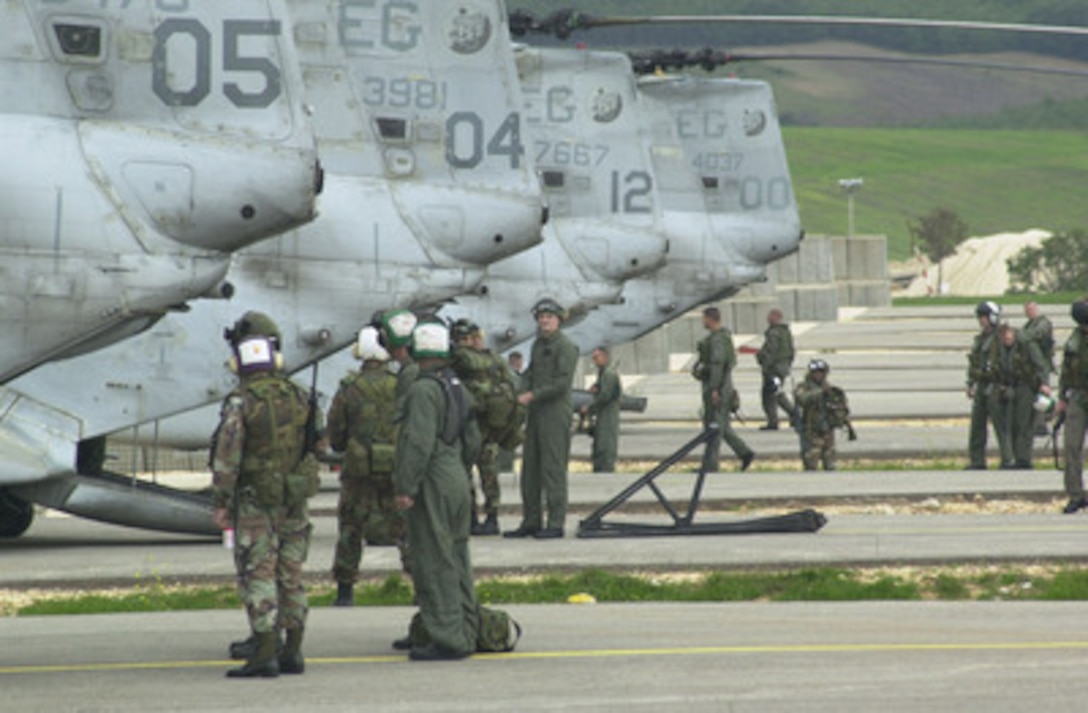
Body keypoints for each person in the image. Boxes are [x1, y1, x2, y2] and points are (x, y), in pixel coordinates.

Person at [210, 311, 321, 678]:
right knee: (291, 573)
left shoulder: (241, 402)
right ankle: (293, 650)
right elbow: (316, 444)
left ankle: (264, 654)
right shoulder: (301, 396)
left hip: (256, 499)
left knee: (259, 571)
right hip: (294, 498)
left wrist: (222, 503)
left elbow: (228, 458)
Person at [393, 320, 481, 660]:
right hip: (456, 473)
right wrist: (458, 466)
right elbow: (472, 437)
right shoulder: (457, 385)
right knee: (458, 556)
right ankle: (466, 629)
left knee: (433, 557)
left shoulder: (422, 390)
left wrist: (406, 485)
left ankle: (448, 638)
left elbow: (417, 442)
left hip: (433, 477)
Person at [327, 326, 402, 607]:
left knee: (351, 528)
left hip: (359, 471)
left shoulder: (350, 387)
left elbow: (336, 431)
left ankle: (345, 591)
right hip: (395, 466)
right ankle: (421, 585)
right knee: (404, 527)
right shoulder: (400, 384)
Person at [504, 298, 579, 539]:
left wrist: (532, 395)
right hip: (536, 412)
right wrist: (516, 390)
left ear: (558, 320)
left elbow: (561, 383)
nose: (544, 321)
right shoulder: (538, 344)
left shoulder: (565, 346)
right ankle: (531, 520)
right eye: (541, 317)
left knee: (553, 469)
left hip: (555, 412)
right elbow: (530, 373)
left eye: (549, 317)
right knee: (530, 469)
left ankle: (555, 523)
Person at [450, 319, 512, 536]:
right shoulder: (488, 359)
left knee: (487, 473)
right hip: (469, 425)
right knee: (469, 473)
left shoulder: (472, 358)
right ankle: (472, 517)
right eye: (460, 340)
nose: (464, 344)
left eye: (467, 339)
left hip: (482, 424)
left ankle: (491, 516)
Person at [693, 306, 755, 473]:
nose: (702, 321)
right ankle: (744, 453)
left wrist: (714, 389)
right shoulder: (719, 337)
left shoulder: (718, 340)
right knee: (723, 426)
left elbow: (717, 366)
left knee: (714, 427)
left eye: (704, 318)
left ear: (710, 319)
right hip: (722, 386)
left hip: (719, 387)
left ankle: (710, 466)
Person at [989, 324, 1050, 469]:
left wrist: (1044, 384)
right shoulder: (1003, 347)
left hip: (1027, 387)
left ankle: (1024, 459)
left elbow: (1041, 365)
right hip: (1012, 387)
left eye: (1008, 338)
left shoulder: (1027, 344)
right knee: (1013, 423)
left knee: (1025, 423)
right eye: (1003, 339)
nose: (1006, 341)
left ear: (1013, 334)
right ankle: (1017, 457)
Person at [1056, 299, 1088, 513]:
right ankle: (1076, 494)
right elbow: (1066, 370)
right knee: (1071, 446)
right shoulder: (1074, 340)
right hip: (1078, 396)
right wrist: (1062, 398)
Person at [794, 359, 850, 471]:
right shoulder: (803, 387)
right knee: (811, 462)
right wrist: (819, 393)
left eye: (821, 372)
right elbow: (802, 399)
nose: (819, 375)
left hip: (827, 430)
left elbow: (841, 406)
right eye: (816, 372)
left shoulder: (831, 389)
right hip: (811, 431)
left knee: (830, 464)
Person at [965, 301, 1002, 470]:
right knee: (977, 426)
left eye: (984, 317)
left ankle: (1009, 459)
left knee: (1002, 426)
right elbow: (974, 362)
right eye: (980, 317)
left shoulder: (1002, 338)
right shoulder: (980, 340)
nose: (981, 320)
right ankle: (977, 460)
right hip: (981, 385)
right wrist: (970, 382)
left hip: (996, 386)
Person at [580, 346, 622, 472]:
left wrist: (589, 407)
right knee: (599, 442)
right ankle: (599, 467)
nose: (594, 361)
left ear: (604, 357)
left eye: (596, 358)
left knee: (605, 443)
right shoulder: (603, 374)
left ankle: (606, 469)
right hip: (602, 414)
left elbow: (606, 396)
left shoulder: (609, 374)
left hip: (608, 415)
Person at [756, 308, 796, 430]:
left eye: (770, 316)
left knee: (770, 395)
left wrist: (765, 365)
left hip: (774, 370)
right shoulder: (785, 332)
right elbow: (791, 352)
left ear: (776, 317)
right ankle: (792, 416)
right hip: (782, 368)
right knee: (775, 393)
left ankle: (777, 420)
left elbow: (770, 352)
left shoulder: (774, 333)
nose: (767, 319)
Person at [1023, 301, 1055, 436]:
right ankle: (1038, 423)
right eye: (1027, 310)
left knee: (1042, 394)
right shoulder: (1027, 326)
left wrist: (1021, 337)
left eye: (1032, 309)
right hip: (1032, 366)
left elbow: (1036, 335)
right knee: (1035, 395)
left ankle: (1041, 424)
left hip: (1042, 365)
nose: (1030, 312)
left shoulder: (1043, 323)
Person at [497, 351, 527, 474]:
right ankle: (504, 469)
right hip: (509, 415)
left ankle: (504, 468)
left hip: (505, 414)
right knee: (506, 444)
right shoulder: (514, 377)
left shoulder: (506, 375)